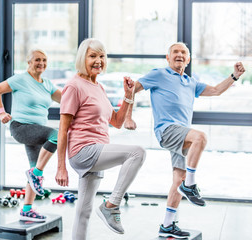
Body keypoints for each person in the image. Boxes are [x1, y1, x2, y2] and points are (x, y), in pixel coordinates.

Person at [124, 42, 246, 238]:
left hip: (182, 135)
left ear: (188, 59)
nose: (179, 55)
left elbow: (215, 90)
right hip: (166, 130)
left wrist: (234, 76)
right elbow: (132, 89)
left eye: (183, 53)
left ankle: (167, 225)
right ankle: (190, 185)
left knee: (178, 179)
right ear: (168, 57)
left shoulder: (190, 82)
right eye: (175, 52)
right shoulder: (159, 74)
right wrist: (128, 117)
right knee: (201, 137)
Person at [55, 38, 146, 240]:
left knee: (83, 211)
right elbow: (63, 129)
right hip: (84, 151)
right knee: (137, 152)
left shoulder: (98, 87)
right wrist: (60, 166)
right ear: (82, 58)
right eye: (93, 56)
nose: (98, 60)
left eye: (102, 56)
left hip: (97, 150)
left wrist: (128, 95)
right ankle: (111, 206)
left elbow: (117, 121)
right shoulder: (74, 86)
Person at [0, 48, 61, 222]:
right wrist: (1, 113)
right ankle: (35, 173)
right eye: (37, 60)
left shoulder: (47, 84)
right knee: (57, 135)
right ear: (29, 62)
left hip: (38, 131)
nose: (41, 63)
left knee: (35, 168)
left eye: (44, 60)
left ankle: (27, 209)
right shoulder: (20, 79)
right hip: (21, 128)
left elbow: (67, 100)